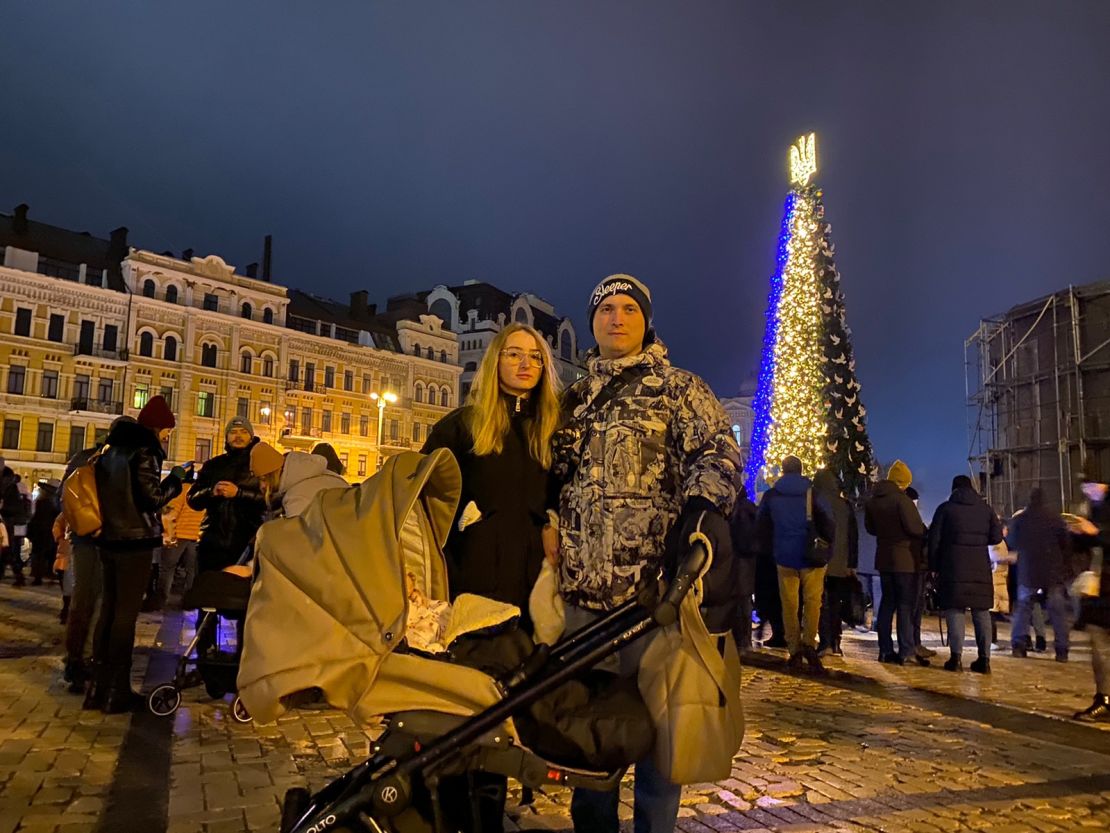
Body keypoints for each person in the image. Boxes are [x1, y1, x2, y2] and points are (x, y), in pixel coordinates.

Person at [550, 274, 741, 833]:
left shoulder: (680, 389)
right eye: (605, 308)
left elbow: (718, 454)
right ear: (592, 322)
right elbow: (554, 477)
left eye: (628, 308)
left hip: (654, 604)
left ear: (646, 320)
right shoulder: (574, 399)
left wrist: (702, 513)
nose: (616, 317)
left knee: (661, 749)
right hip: (584, 606)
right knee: (592, 750)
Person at [419, 323, 560, 833]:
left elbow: (563, 496)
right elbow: (422, 489)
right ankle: (453, 808)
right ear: (495, 362)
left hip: (528, 590)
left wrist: (554, 521)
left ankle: (488, 811)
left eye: (535, 358)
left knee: (506, 705)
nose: (525, 364)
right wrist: (460, 521)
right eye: (514, 354)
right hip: (471, 588)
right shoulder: (462, 425)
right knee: (464, 706)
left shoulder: (551, 431)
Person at [85, 396, 189, 712]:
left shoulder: (110, 453)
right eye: (168, 430)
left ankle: (97, 689)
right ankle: (118, 691)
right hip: (135, 543)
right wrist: (176, 479)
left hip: (110, 540)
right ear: (158, 427)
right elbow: (151, 498)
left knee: (109, 611)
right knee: (125, 617)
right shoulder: (146, 450)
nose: (168, 436)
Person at [757, 457, 835, 671]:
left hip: (784, 556)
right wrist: (827, 549)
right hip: (811, 557)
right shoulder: (812, 493)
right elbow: (829, 522)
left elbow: (761, 523)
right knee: (812, 602)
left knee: (789, 605)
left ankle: (793, 647)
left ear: (783, 471)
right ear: (801, 471)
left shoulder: (772, 495)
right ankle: (809, 643)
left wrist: (772, 546)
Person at [928, 475, 1003, 674]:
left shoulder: (945, 509)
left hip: (952, 567)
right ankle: (984, 660)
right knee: (981, 612)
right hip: (980, 567)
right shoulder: (986, 510)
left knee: (955, 610)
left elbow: (933, 541)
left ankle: (956, 659)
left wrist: (934, 567)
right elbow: (996, 537)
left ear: (953, 489)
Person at [865, 460, 927, 665]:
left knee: (886, 604)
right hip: (905, 561)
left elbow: (871, 528)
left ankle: (885, 650)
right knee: (905, 606)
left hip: (883, 559)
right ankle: (907, 651)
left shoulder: (874, 500)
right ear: (904, 482)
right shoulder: (902, 501)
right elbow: (916, 529)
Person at [187, 416, 266, 573]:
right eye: (233, 432)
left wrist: (239, 493)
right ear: (227, 436)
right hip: (212, 543)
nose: (238, 436)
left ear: (251, 436)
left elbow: (270, 499)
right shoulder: (213, 465)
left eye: (243, 432)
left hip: (247, 544)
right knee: (207, 591)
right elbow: (192, 500)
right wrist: (211, 492)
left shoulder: (260, 465)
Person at [1010, 488, 1072, 662]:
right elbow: (1066, 544)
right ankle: (1061, 650)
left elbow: (1013, 542)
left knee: (1023, 610)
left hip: (1028, 572)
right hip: (1052, 573)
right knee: (1057, 613)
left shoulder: (1020, 520)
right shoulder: (1055, 519)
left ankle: (1019, 646)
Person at [1073, 473, 1110, 722]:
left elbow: (1102, 538)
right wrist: (1078, 533)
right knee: (1098, 641)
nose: (1087, 490)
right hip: (1101, 585)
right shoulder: (1093, 507)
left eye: (1090, 484)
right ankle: (1104, 698)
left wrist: (1095, 532)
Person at [814, 469, 858, 657]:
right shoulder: (845, 505)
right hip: (841, 564)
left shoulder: (814, 503)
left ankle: (825, 643)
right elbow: (852, 537)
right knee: (836, 603)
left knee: (821, 604)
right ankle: (836, 641)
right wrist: (851, 564)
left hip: (820, 561)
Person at [250, 442, 349, 519]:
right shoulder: (316, 474)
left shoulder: (295, 498)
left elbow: (299, 540)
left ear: (273, 475)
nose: (262, 486)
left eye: (263, 479)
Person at [158, 472, 205, 607]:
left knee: (167, 567)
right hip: (196, 536)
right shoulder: (200, 492)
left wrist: (169, 535)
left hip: (179, 534)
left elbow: (169, 514)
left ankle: (161, 600)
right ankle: (189, 600)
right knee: (192, 570)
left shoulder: (183, 490)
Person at [905, 486, 935, 661]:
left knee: (914, 607)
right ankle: (912, 643)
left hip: (915, 568)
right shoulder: (912, 519)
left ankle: (913, 642)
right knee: (912, 607)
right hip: (915, 568)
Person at [729, 485, 760, 652]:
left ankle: (738, 639)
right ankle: (745, 640)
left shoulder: (733, 510)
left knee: (736, 600)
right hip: (750, 560)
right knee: (746, 600)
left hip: (736, 558)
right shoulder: (752, 509)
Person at [0, 465, 31, 586]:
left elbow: (13, 508)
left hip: (9, 524)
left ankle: (18, 575)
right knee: (10, 550)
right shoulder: (11, 488)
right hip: (11, 524)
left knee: (10, 550)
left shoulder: (11, 489)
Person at [28, 479, 62, 586]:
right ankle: (47, 574)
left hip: (42, 532)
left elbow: (36, 518)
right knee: (48, 554)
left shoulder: (44, 502)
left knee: (40, 555)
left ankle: (39, 576)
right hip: (48, 533)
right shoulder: (55, 503)